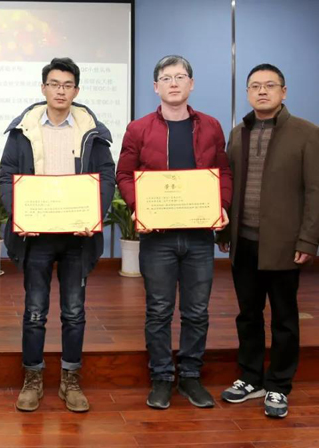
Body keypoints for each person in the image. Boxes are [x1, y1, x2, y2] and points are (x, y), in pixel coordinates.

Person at [0, 57, 115, 412]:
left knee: (74, 311)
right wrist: (22, 215)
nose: (60, 90)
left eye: (67, 85)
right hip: (37, 236)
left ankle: (70, 380)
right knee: (34, 311)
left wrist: (93, 216)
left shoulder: (92, 131)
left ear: (76, 91)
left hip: (78, 236)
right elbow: (7, 176)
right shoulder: (23, 130)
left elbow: (106, 176)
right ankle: (32, 379)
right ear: (43, 88)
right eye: (54, 84)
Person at [116, 55, 231, 410]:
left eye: (180, 77)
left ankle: (191, 377)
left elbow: (223, 172)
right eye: (166, 78)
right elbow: (124, 174)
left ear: (191, 84)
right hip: (158, 237)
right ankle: (162, 377)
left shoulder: (210, 126)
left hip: (199, 236)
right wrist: (140, 207)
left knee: (197, 311)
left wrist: (223, 204)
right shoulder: (138, 129)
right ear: (156, 87)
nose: (174, 83)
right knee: (159, 311)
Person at [218, 64, 319, 419]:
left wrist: (308, 239)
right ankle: (251, 378)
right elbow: (228, 185)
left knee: (284, 318)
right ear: (247, 93)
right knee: (247, 315)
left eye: (270, 85)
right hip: (243, 242)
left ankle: (278, 384)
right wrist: (223, 232)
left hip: (283, 244)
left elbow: (315, 191)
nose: (262, 91)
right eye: (255, 86)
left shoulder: (307, 133)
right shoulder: (238, 133)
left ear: (283, 92)